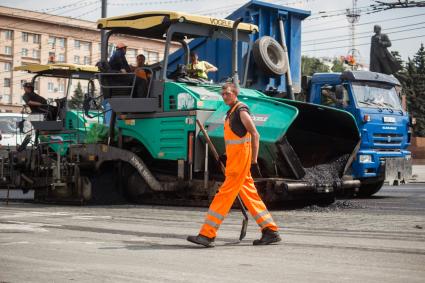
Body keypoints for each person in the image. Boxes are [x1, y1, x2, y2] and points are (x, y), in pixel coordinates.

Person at [187, 82, 281, 248]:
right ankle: (270, 230)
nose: (224, 97)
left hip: (240, 161)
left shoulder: (241, 110)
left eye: (227, 94)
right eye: (222, 94)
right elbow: (235, 140)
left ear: (235, 94)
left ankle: (207, 234)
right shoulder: (230, 112)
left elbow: (255, 134)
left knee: (224, 194)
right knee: (250, 194)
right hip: (235, 160)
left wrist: (253, 160)